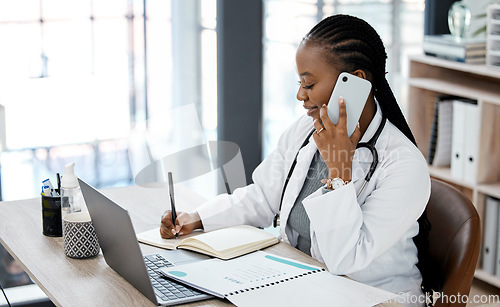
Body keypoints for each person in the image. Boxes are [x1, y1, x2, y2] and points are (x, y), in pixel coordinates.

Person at [160, 14, 430, 306]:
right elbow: (263, 197)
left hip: (375, 297)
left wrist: (340, 168)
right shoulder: (305, 131)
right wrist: (198, 218)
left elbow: (344, 260)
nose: (300, 95)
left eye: (309, 84)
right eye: (299, 82)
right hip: (306, 282)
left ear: (356, 82)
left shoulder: (403, 165)